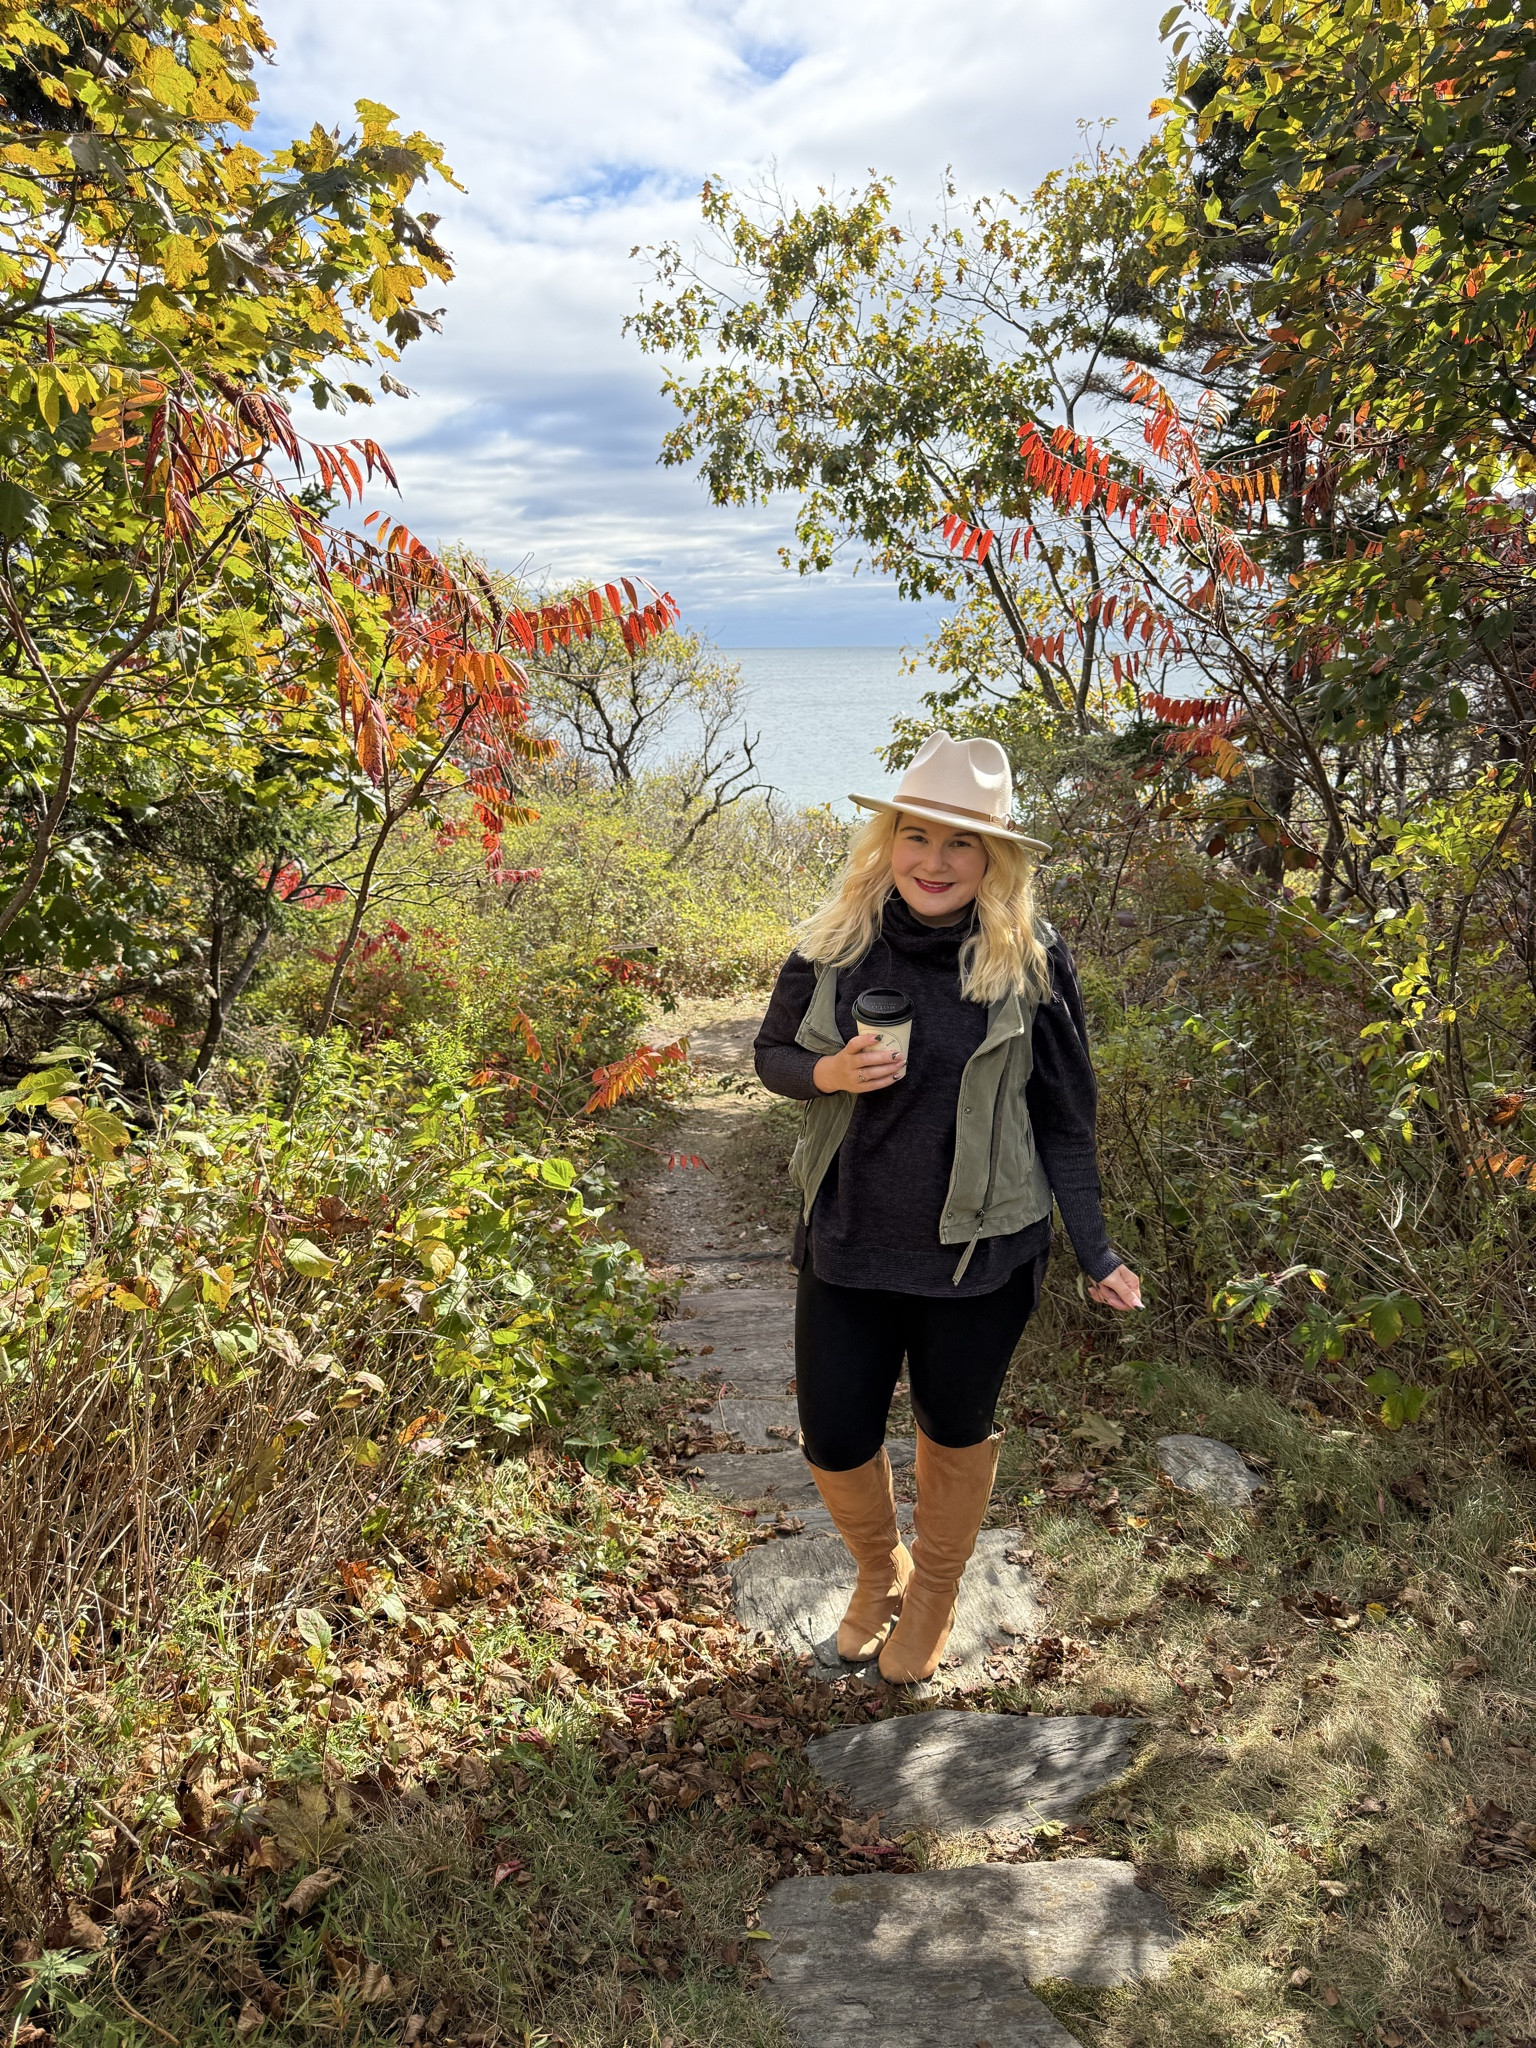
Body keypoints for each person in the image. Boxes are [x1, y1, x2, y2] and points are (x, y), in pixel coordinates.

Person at [753, 731, 1142, 1684]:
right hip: (848, 1238)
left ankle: (934, 1590)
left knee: (953, 1426)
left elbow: (1064, 1120)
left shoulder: (1031, 963)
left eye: (960, 843)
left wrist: (1093, 1250)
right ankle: (877, 1572)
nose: (934, 861)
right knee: (837, 1432)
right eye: (916, 835)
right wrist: (829, 1071)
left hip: (982, 1255)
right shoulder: (832, 945)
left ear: (994, 859)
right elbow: (772, 1059)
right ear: (888, 839)